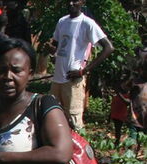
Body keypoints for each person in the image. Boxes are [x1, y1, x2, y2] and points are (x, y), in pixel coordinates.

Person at [44, 0, 114, 129]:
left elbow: (108, 48)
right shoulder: (62, 21)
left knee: (73, 120)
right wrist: (51, 49)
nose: (71, 3)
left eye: (75, 1)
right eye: (68, 1)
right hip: (58, 78)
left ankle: (79, 147)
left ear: (82, 2)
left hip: (73, 79)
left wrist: (84, 71)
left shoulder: (87, 23)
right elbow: (56, 45)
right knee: (53, 115)